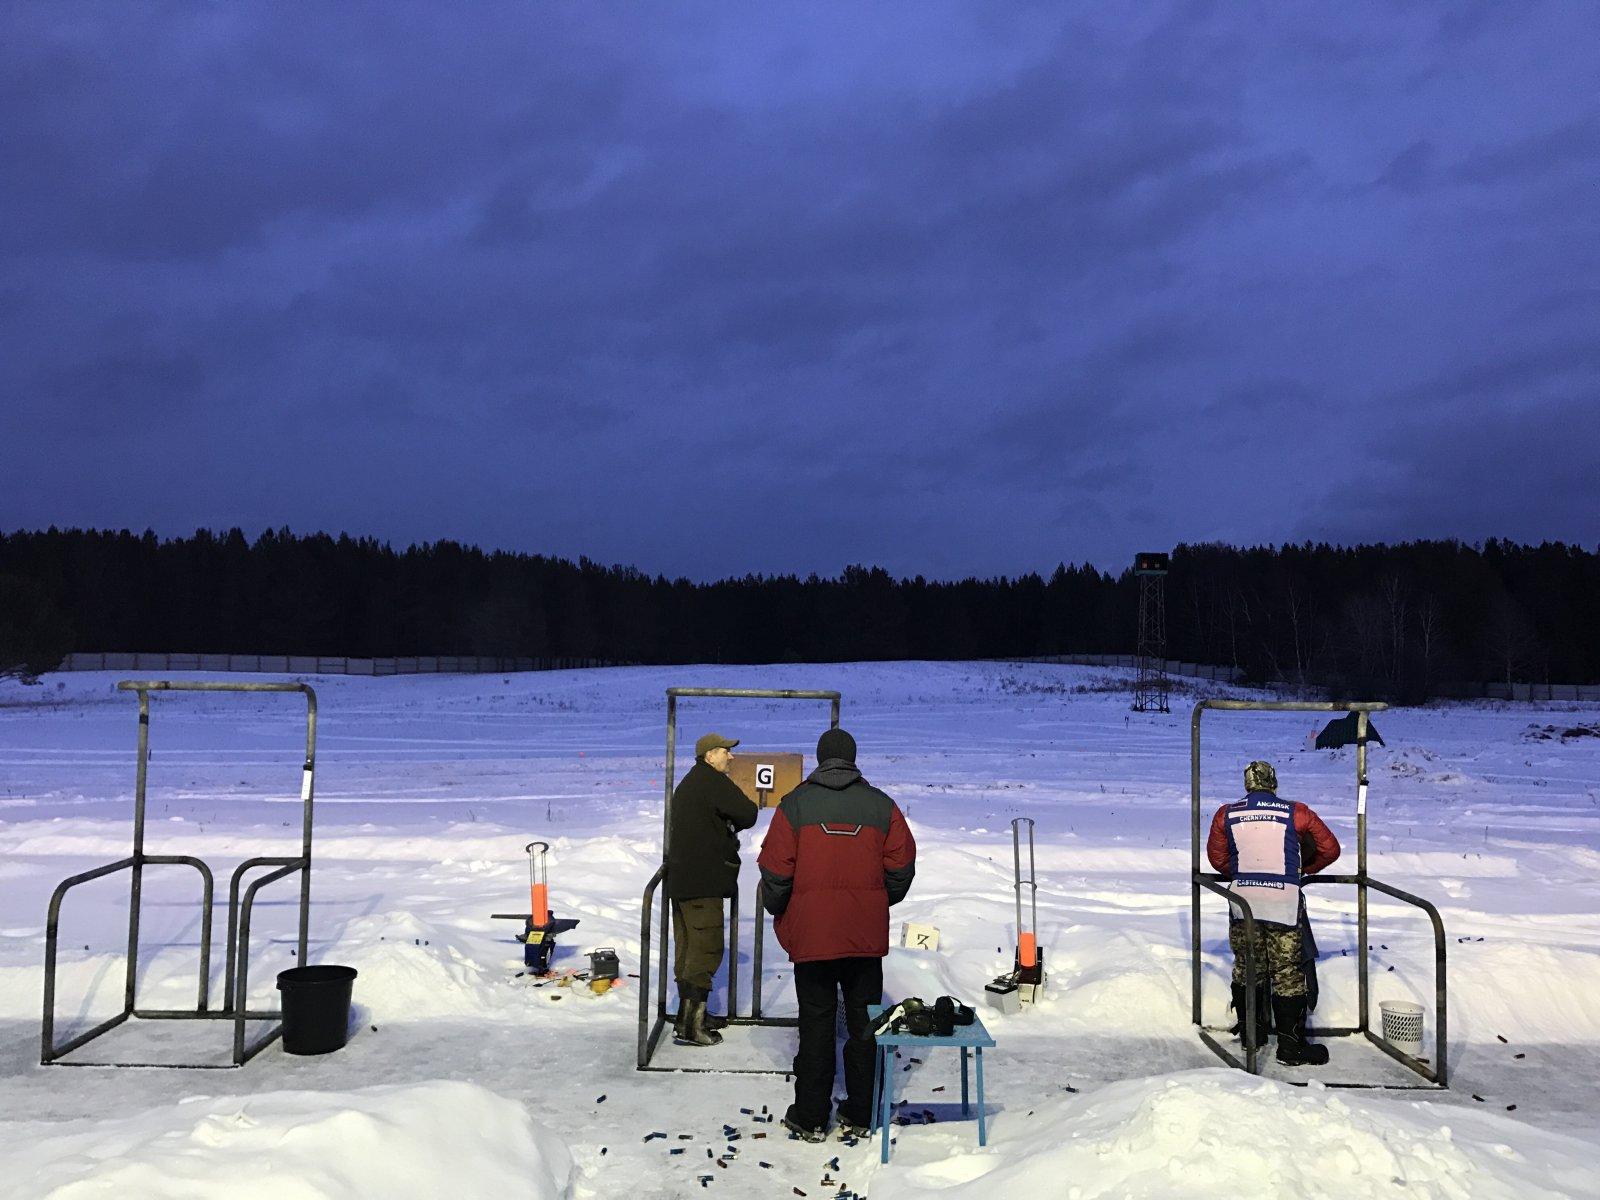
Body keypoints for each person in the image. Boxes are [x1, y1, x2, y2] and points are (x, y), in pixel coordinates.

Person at [758, 727, 916, 1141]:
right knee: (865, 1024)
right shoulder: (883, 806)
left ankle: (811, 1115)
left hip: (812, 938)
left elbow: (775, 870)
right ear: (852, 757)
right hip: (864, 939)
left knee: (816, 1024)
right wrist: (874, 902)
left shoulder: (794, 806)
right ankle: (861, 1113)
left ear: (820, 758)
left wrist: (782, 908)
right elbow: (901, 868)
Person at [1207, 760, 1340, 1066]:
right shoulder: (1297, 812)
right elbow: (1330, 849)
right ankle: (1290, 1049)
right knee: (1287, 973)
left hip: (1243, 904)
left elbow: (1217, 859)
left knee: (1246, 965)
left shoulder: (1226, 814)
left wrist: (1244, 873)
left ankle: (1251, 1038)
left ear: (1247, 785)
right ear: (1274, 783)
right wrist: (1301, 871)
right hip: (1283, 903)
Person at [667, 731, 758, 1048]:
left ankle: (690, 1017)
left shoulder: (693, 782)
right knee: (705, 950)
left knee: (689, 951)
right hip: (702, 882)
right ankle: (692, 1027)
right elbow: (748, 812)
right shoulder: (710, 781)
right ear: (710, 756)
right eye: (725, 752)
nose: (730, 757)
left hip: (683, 882)